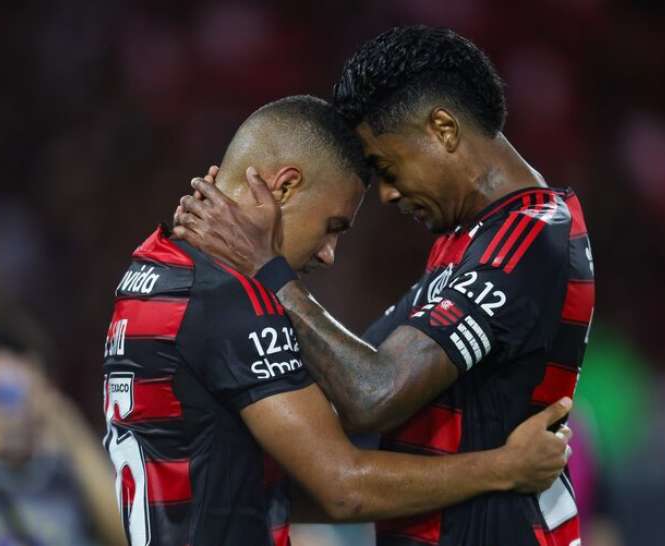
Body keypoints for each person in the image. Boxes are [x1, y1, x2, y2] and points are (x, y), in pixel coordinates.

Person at [174, 26, 594, 546]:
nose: (389, 195)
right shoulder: (467, 238)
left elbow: (373, 393)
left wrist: (266, 272)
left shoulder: (531, 234)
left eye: (387, 168)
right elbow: (352, 386)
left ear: (442, 128)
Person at [0, 319, 125, 546]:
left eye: (21, 390)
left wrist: (74, 436)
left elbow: (130, 537)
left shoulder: (73, 470)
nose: (11, 411)